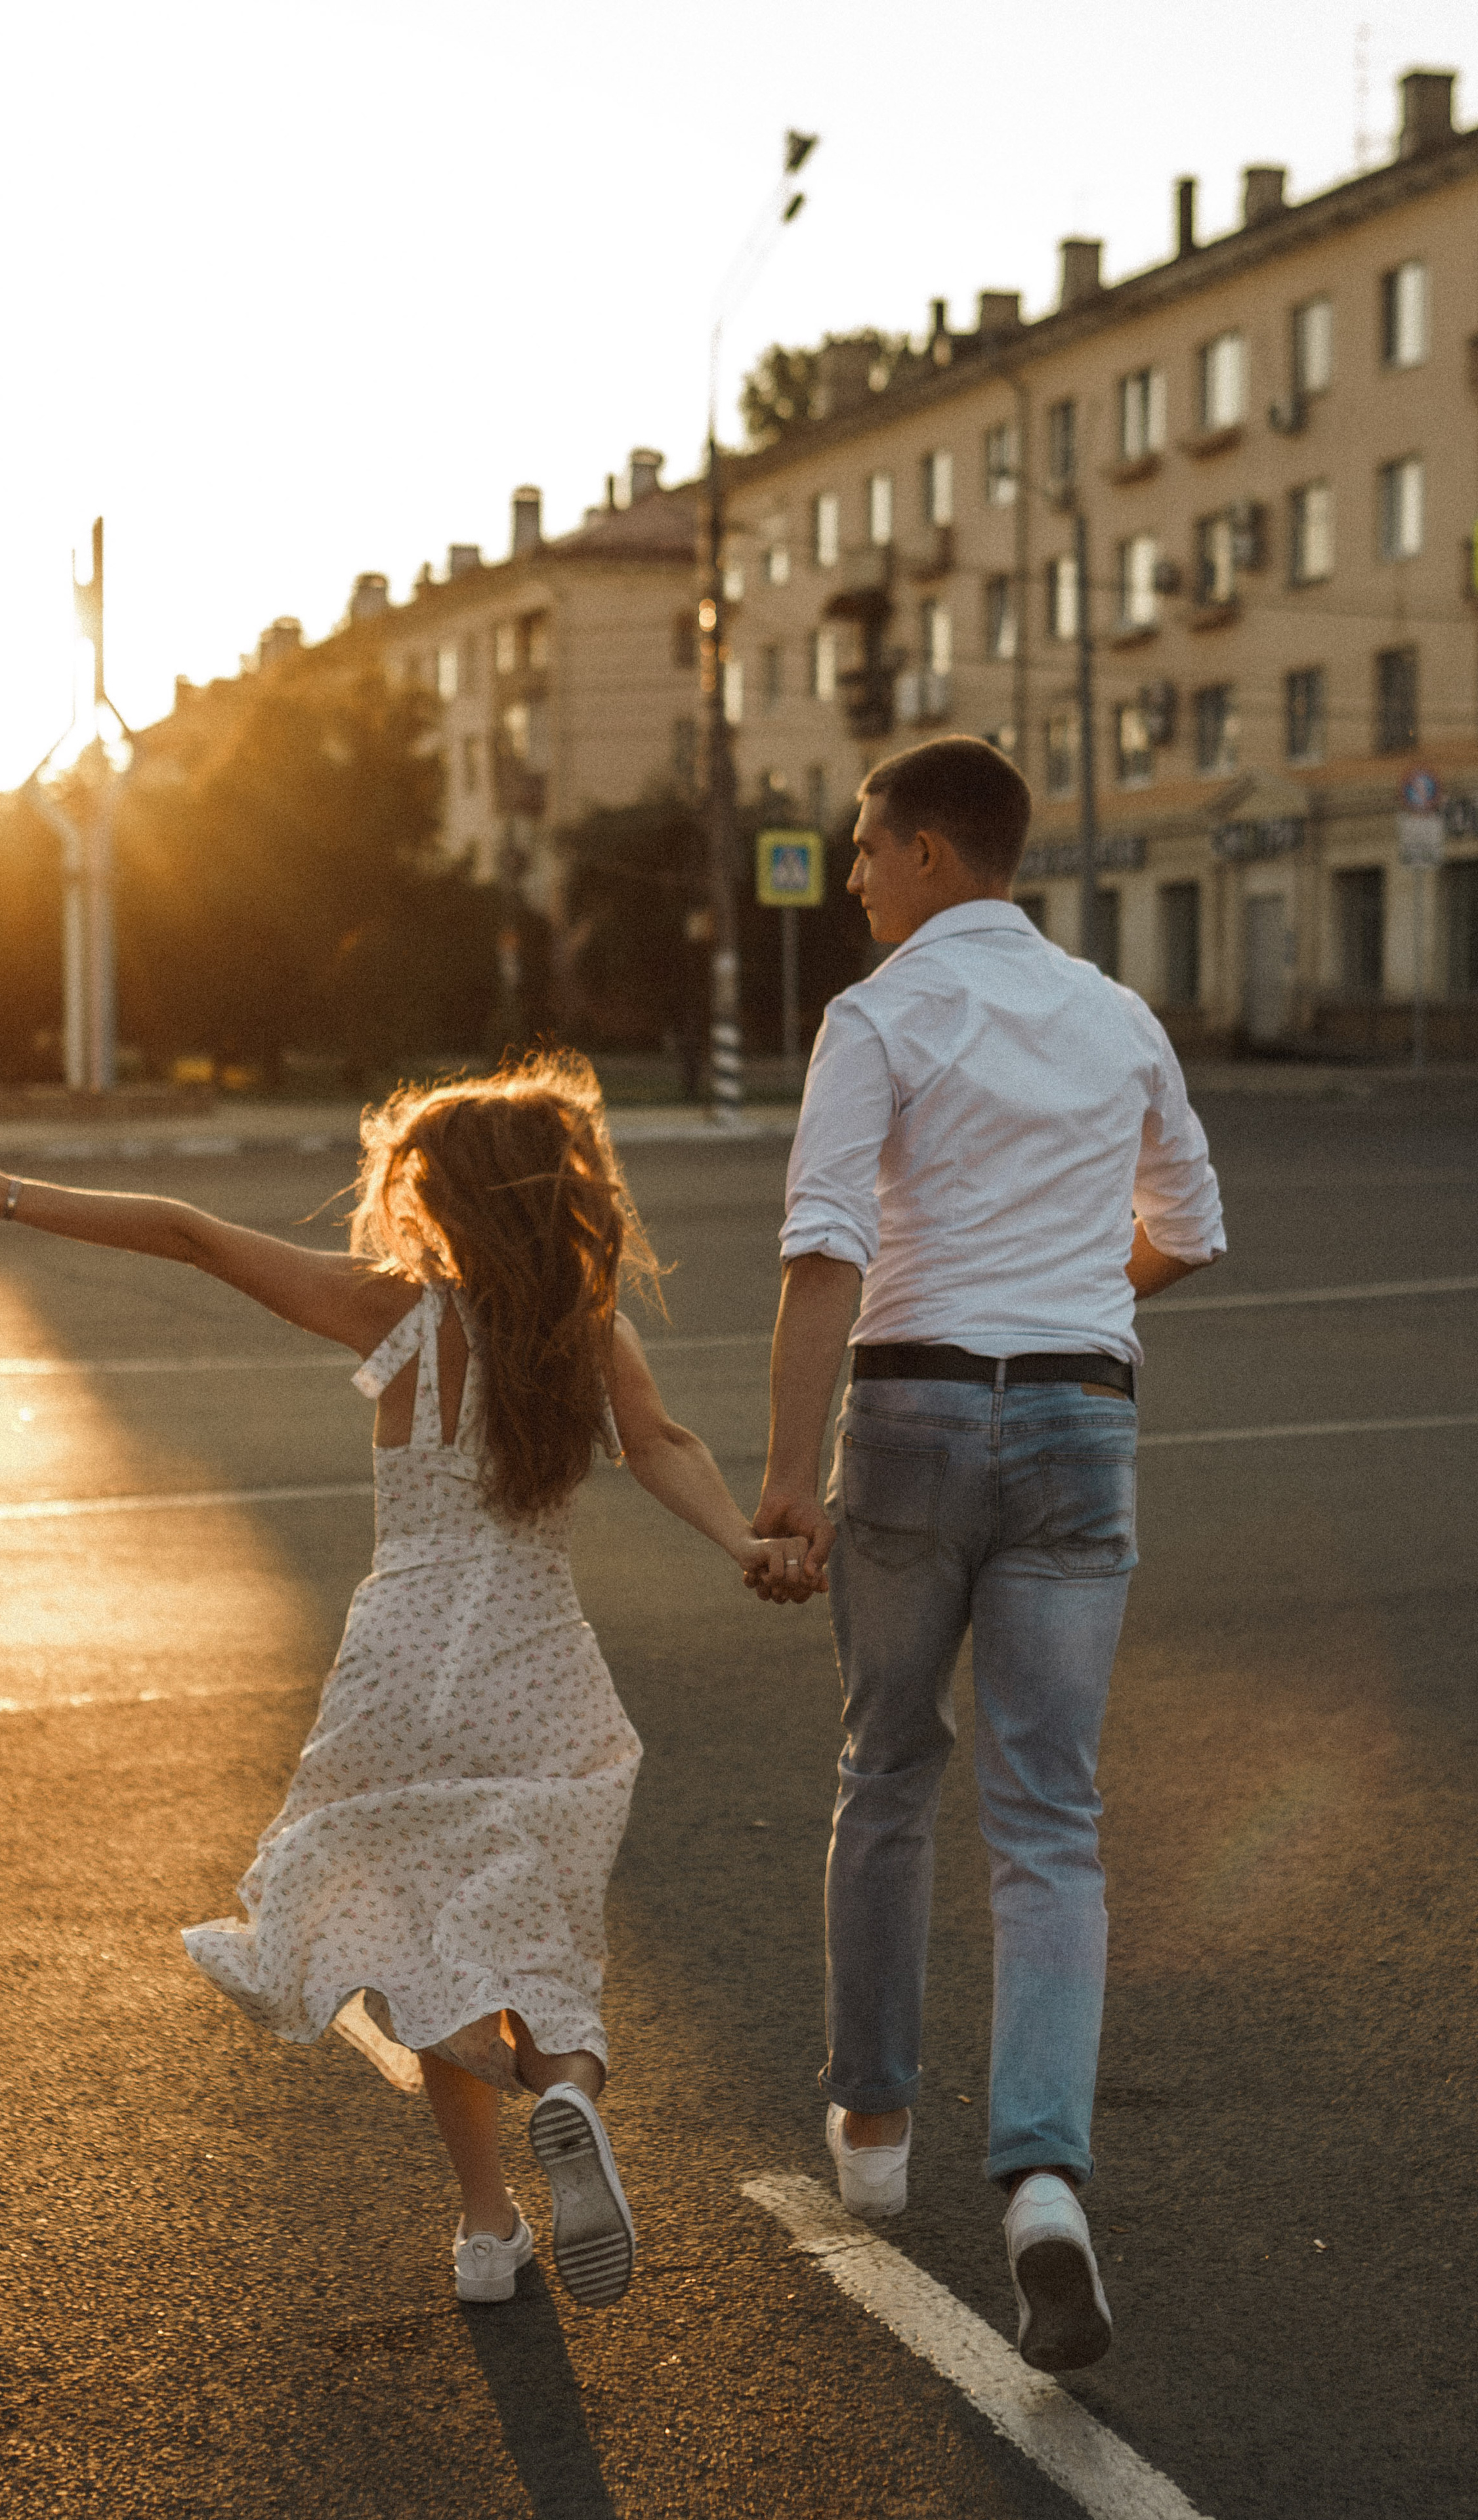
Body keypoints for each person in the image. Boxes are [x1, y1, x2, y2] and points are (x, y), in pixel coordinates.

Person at [0, 1053, 813, 2311]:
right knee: (536, 1927)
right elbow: (660, 1444)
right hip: (534, 1666)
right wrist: (743, 1546)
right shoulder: (585, 1334)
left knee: (418, 1938)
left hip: (400, 1664)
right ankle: (566, 2089)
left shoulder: (402, 1316)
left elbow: (188, 1234)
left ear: (444, 1200)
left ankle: (488, 2229)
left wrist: (11, 1195)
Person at [749, 737, 1225, 2373]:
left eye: (866, 847)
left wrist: (785, 1481)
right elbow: (1192, 1228)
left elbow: (824, 1249)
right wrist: (1072, 1302)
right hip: (1081, 1425)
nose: (853, 875)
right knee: (1050, 1816)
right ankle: (1039, 2184)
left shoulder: (877, 1017)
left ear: (931, 855)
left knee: (886, 1766)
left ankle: (873, 2132)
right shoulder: (1115, 1016)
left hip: (912, 1419)